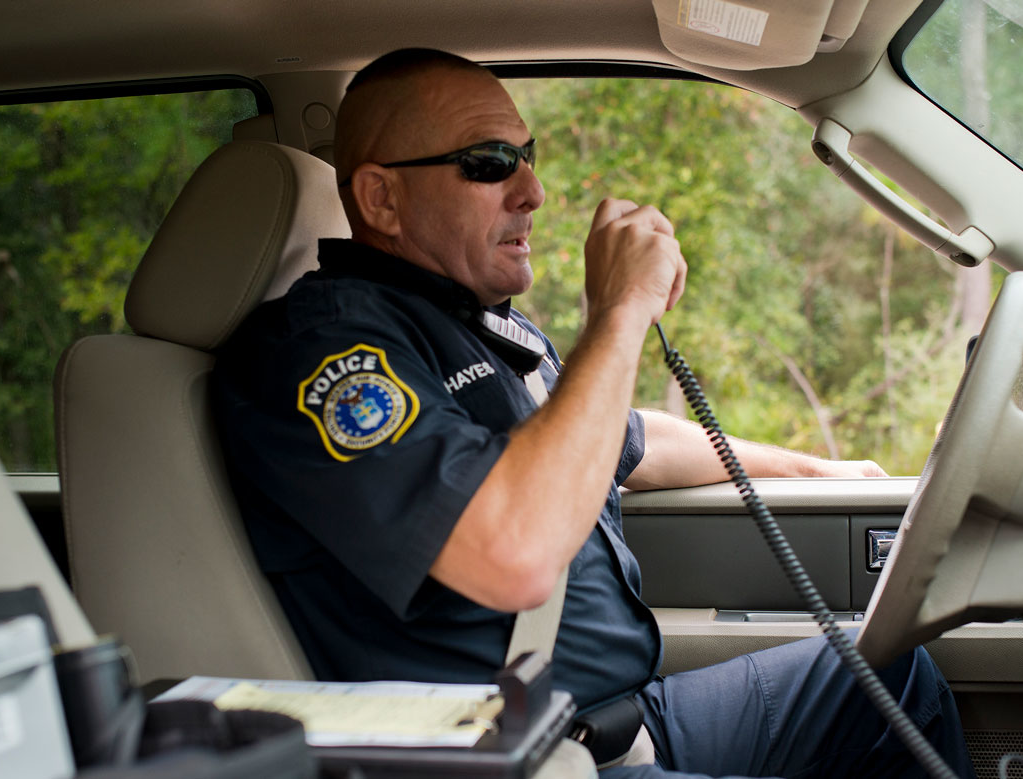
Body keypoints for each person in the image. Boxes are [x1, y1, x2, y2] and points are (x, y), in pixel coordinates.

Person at [211, 48, 973, 778]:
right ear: (382, 198)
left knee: (891, 679)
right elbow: (511, 554)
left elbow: (633, 441)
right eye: (490, 163)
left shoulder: (477, 325)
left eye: (528, 154)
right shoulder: (323, 350)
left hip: (623, 724)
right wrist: (620, 312)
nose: (532, 190)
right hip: (512, 761)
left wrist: (817, 469)